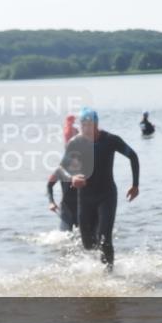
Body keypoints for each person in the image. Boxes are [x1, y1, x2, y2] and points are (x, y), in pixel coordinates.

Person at [55, 108, 139, 271]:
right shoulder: (75, 143)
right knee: (87, 243)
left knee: (105, 238)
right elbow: (61, 169)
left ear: (96, 124)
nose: (85, 128)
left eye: (88, 124)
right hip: (85, 198)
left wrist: (135, 185)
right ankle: (100, 262)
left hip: (106, 195)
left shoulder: (110, 140)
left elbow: (133, 156)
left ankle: (109, 274)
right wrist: (72, 178)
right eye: (82, 124)